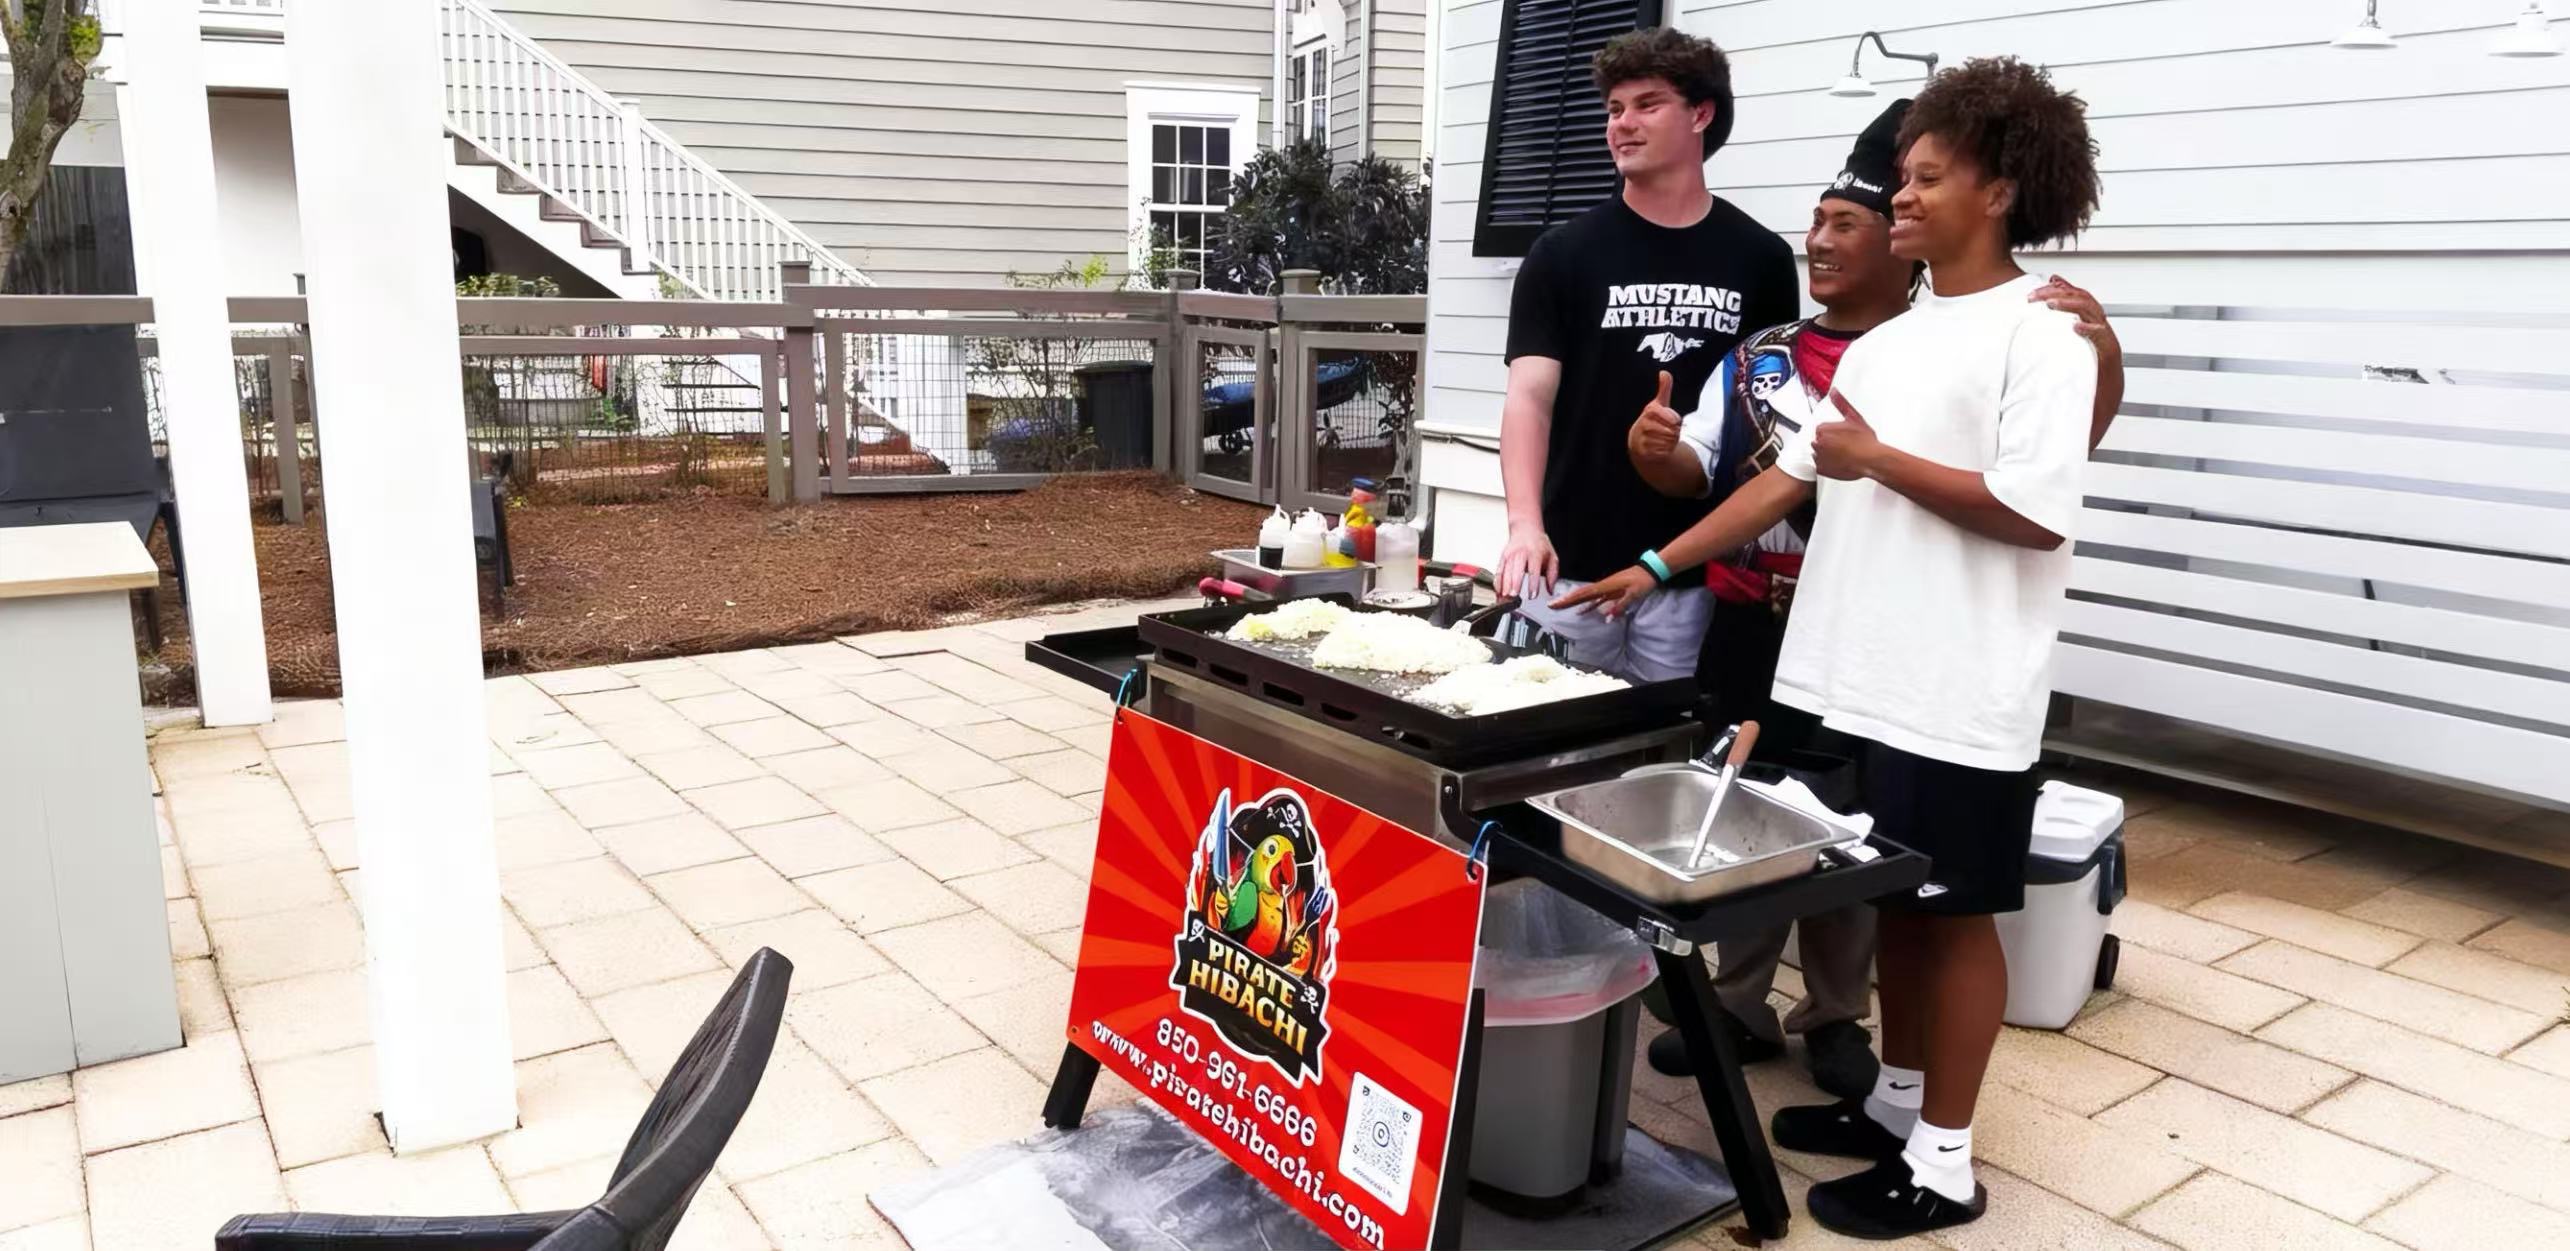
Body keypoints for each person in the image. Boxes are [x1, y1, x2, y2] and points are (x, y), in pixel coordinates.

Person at [1555, 56, 2105, 1239]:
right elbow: (1778, 487)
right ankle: (1893, 1107)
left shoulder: (2043, 332)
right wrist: (1651, 568)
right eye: (1898, 178)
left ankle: (1945, 1167)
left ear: (1999, 188)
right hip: (1860, 684)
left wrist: (1881, 465)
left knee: (1954, 922)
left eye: (1923, 178)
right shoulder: (1884, 346)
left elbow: (2032, 508)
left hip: (1958, 694)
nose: (1896, 199)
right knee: (1903, 904)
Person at [1495, 26, 1799, 681]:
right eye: (1613, 109)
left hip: (1693, 572)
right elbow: (1529, 398)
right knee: (1550, 754)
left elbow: (1767, 420)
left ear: (1701, 113)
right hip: (1569, 562)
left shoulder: (1762, 260)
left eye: (1646, 104)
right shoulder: (1562, 255)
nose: (1622, 124)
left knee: (1663, 759)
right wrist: (1525, 523)